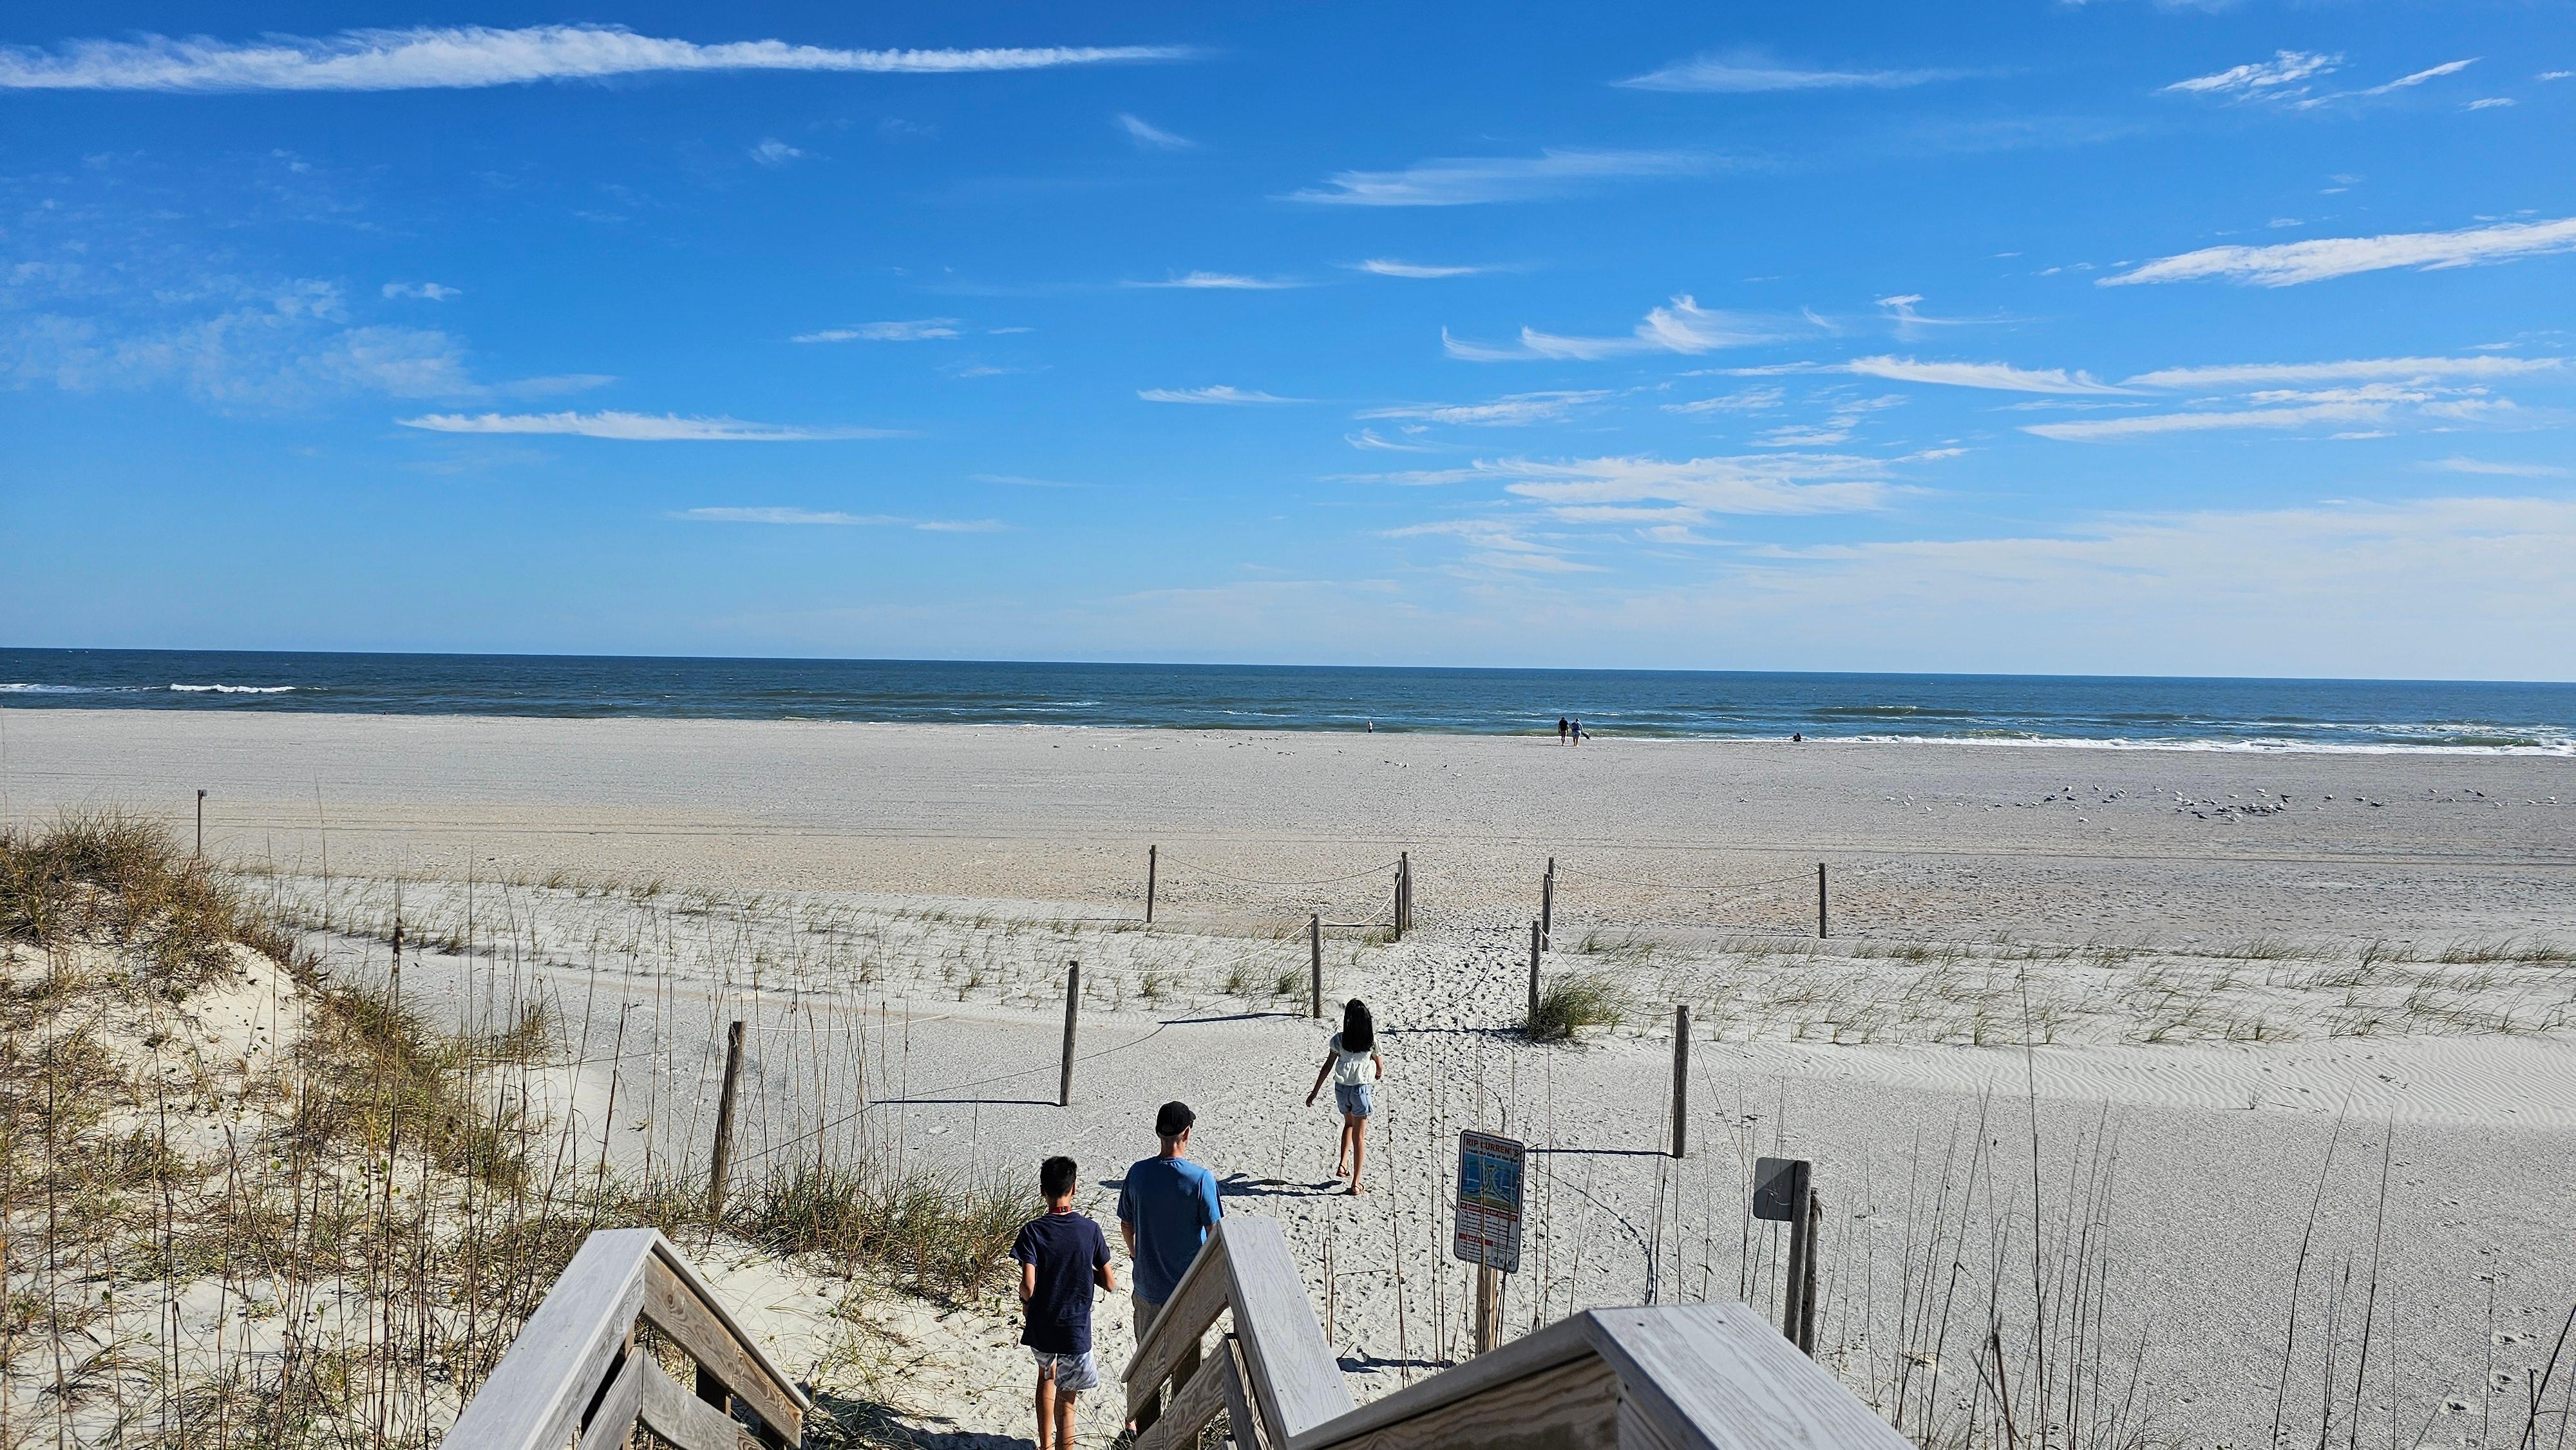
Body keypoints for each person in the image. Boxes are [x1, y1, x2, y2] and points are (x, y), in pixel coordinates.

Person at [1118, 1102, 1223, 1432]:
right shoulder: (1200, 1180)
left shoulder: (1138, 1173)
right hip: (1186, 1293)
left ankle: (1147, 1432)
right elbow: (1216, 1235)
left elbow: (1126, 1226)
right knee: (1185, 1367)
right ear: (1187, 1133)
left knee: (1146, 1365)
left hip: (1148, 1287)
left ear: (1159, 1133)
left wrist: (1139, 1257)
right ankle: (1180, 1429)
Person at [1014, 1156, 1115, 1450]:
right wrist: (1086, 1270)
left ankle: (1044, 1446)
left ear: (1043, 1191)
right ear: (1075, 1188)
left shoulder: (1033, 1231)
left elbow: (1029, 1286)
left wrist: (1025, 1301)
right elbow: (1110, 1282)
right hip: (1075, 1327)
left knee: (1046, 1376)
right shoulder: (1090, 1230)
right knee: (1068, 1398)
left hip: (1043, 1324)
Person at [1305, 999, 1386, 1194]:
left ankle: (1342, 1164)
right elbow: (1379, 1064)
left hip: (1341, 1090)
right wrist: (1378, 1071)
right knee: (1360, 1136)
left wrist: (1315, 1091)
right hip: (1360, 1090)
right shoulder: (1371, 1041)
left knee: (1348, 1124)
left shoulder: (1339, 1040)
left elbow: (1327, 1066)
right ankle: (1356, 1183)